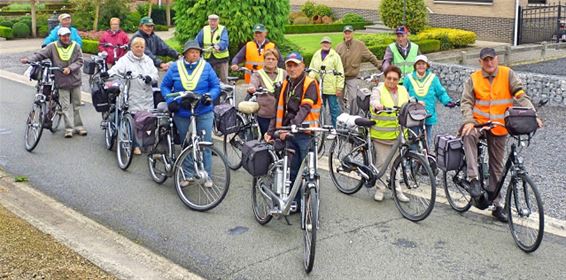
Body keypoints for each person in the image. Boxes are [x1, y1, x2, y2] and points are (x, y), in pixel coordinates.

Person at [460, 48, 542, 223]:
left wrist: (532, 114)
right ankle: (473, 178)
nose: (489, 63)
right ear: (480, 62)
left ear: (496, 59)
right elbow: (466, 102)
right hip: (480, 123)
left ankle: (497, 206)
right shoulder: (473, 78)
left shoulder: (507, 74)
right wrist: (469, 120)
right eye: (485, 60)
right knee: (468, 134)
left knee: (497, 168)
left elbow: (520, 94)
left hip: (499, 126)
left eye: (491, 59)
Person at [265, 52, 322, 211]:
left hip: (305, 133)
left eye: (295, 65)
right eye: (289, 65)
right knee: (293, 169)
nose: (292, 68)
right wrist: (271, 131)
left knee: (308, 171)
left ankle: (310, 200)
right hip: (289, 132)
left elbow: (305, 108)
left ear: (303, 66)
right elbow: (278, 110)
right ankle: (295, 201)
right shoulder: (285, 84)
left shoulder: (310, 83)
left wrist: (291, 127)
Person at [160, 40, 220, 187]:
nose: (195, 54)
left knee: (205, 143)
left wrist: (209, 97)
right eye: (192, 52)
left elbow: (215, 86)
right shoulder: (175, 67)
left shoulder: (206, 67)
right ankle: (186, 174)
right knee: (186, 143)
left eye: (197, 52)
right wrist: (170, 101)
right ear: (185, 53)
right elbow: (165, 86)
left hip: (203, 110)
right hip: (182, 111)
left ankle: (206, 175)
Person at [22, 27, 86, 138]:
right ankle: (69, 129)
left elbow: (80, 60)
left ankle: (79, 127)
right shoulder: (52, 46)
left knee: (77, 105)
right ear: (59, 36)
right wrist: (29, 59)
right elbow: (40, 54)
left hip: (75, 80)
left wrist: (70, 68)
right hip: (61, 81)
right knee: (65, 106)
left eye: (67, 35)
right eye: (63, 36)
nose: (66, 38)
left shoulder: (76, 46)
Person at [107, 37, 159, 155]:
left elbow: (155, 75)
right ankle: (135, 145)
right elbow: (115, 70)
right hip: (130, 94)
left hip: (146, 95)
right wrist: (107, 73)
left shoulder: (148, 60)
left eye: (142, 47)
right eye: (137, 46)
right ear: (131, 47)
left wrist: (150, 78)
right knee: (134, 121)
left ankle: (145, 142)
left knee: (145, 120)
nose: (139, 49)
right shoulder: (125, 60)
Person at [369, 66, 410, 202]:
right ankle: (380, 189)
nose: (392, 81)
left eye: (395, 79)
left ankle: (397, 190)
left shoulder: (403, 90)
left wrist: (416, 103)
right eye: (389, 78)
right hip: (382, 135)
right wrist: (377, 105)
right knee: (382, 163)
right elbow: (373, 101)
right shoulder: (378, 90)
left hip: (398, 134)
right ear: (385, 78)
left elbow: (408, 103)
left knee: (396, 164)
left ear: (399, 80)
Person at [403, 55, 456, 147]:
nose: (421, 66)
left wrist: (447, 101)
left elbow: (440, 92)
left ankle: (425, 158)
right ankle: (414, 157)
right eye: (418, 64)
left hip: (428, 113)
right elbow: (403, 93)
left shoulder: (433, 78)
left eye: (423, 64)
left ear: (427, 65)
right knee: (413, 139)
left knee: (427, 140)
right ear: (415, 66)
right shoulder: (408, 78)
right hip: (413, 114)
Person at [335, 25, 381, 115]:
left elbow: (370, 56)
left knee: (353, 98)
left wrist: (380, 66)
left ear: (353, 33)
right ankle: (341, 116)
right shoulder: (338, 47)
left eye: (349, 33)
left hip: (352, 76)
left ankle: (353, 118)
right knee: (338, 97)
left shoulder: (359, 45)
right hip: (340, 77)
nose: (347, 35)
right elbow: (333, 62)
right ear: (343, 34)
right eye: (346, 33)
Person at [246, 48, 286, 136]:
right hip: (265, 114)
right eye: (268, 59)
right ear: (264, 60)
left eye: (273, 59)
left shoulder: (283, 73)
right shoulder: (258, 74)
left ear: (277, 61)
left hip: (281, 114)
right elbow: (253, 83)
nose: (270, 61)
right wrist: (252, 88)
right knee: (267, 138)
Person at [308, 36, 344, 127]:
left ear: (330, 44)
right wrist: (311, 78)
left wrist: (339, 87)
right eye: (324, 42)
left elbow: (340, 72)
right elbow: (311, 68)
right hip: (319, 87)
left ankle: (335, 129)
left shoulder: (335, 56)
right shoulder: (316, 54)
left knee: (334, 109)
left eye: (327, 43)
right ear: (321, 44)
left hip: (331, 87)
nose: (325, 44)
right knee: (318, 108)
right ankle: (318, 127)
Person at [195, 14, 230, 83]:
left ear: (218, 21)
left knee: (224, 78)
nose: (213, 23)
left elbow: (224, 41)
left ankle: (227, 92)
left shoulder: (222, 29)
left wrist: (219, 46)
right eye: (211, 21)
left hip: (221, 58)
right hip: (208, 58)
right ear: (208, 21)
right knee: (209, 78)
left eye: (215, 21)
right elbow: (197, 41)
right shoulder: (204, 29)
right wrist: (194, 48)